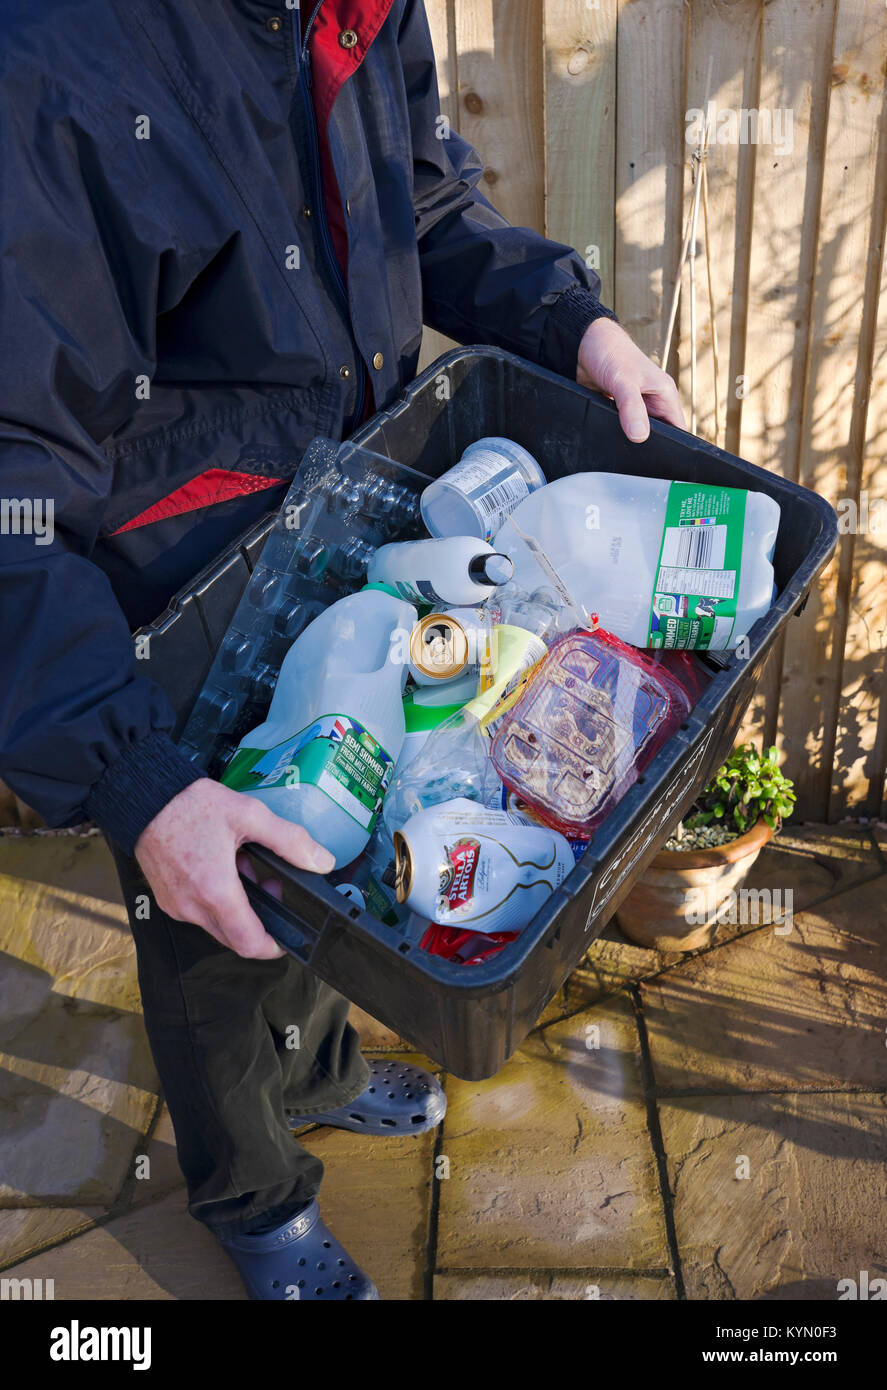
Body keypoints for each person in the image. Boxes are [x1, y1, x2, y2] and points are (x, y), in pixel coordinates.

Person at [0, 0, 684, 1300]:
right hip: (173, 602)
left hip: (345, 534)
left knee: (336, 844)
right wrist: (129, 774)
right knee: (210, 933)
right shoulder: (49, 60)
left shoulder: (357, 10)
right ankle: (252, 1197)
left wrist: (568, 323)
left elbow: (422, 210)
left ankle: (313, 1073)